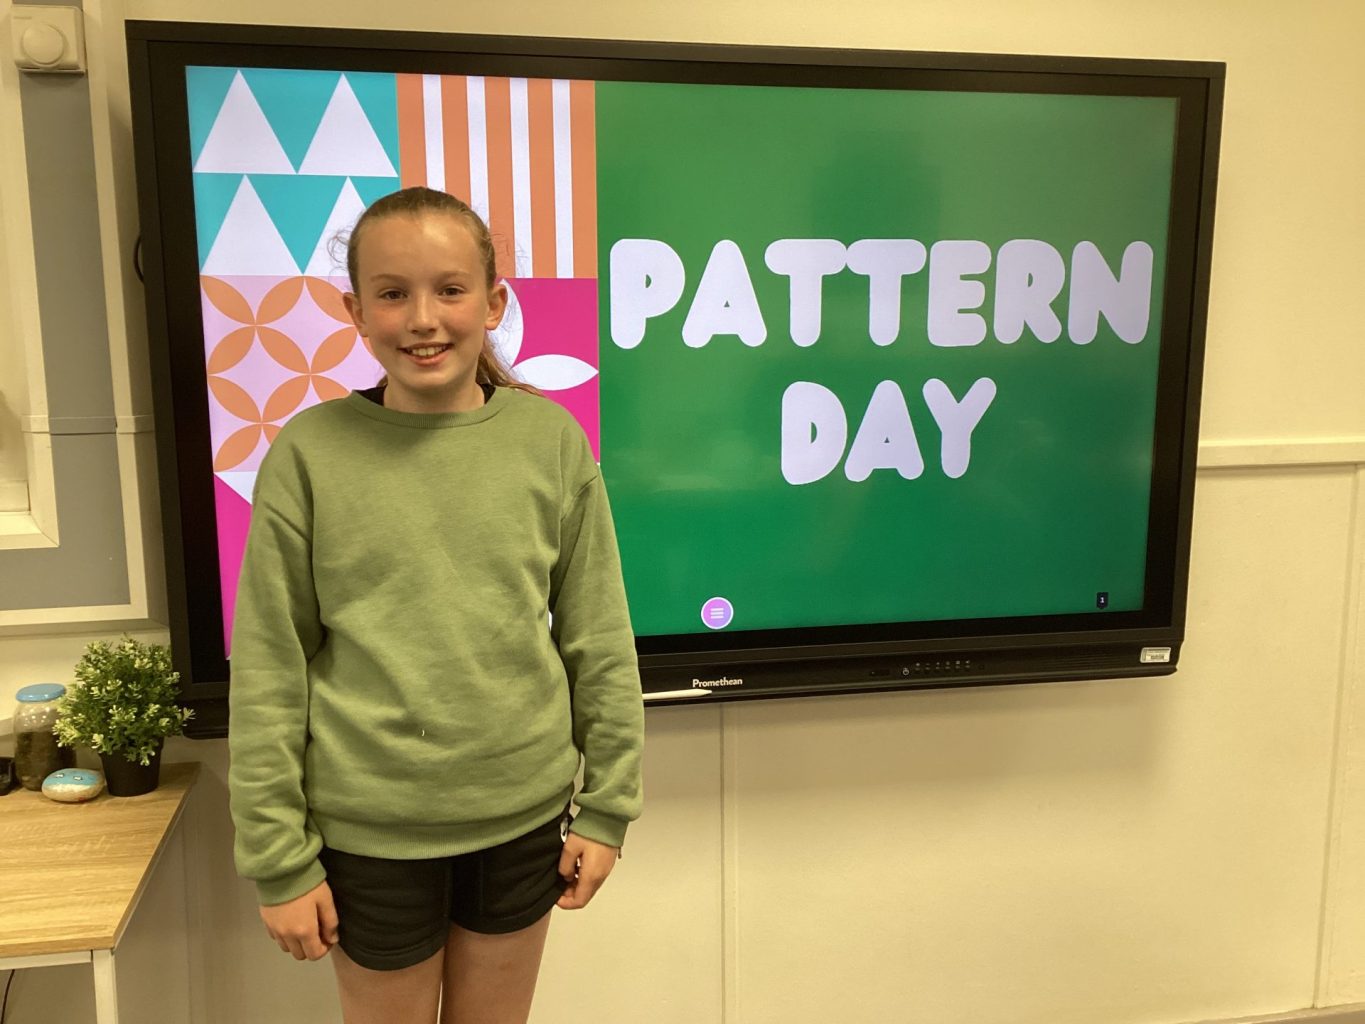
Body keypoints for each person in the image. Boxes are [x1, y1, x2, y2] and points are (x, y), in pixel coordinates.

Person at [228, 186, 644, 1024]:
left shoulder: (551, 442)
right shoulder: (308, 455)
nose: (422, 319)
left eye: (450, 289)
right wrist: (278, 860)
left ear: (493, 303)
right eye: (392, 293)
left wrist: (607, 809)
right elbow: (271, 666)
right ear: (355, 311)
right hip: (369, 834)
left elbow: (598, 638)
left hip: (522, 820)